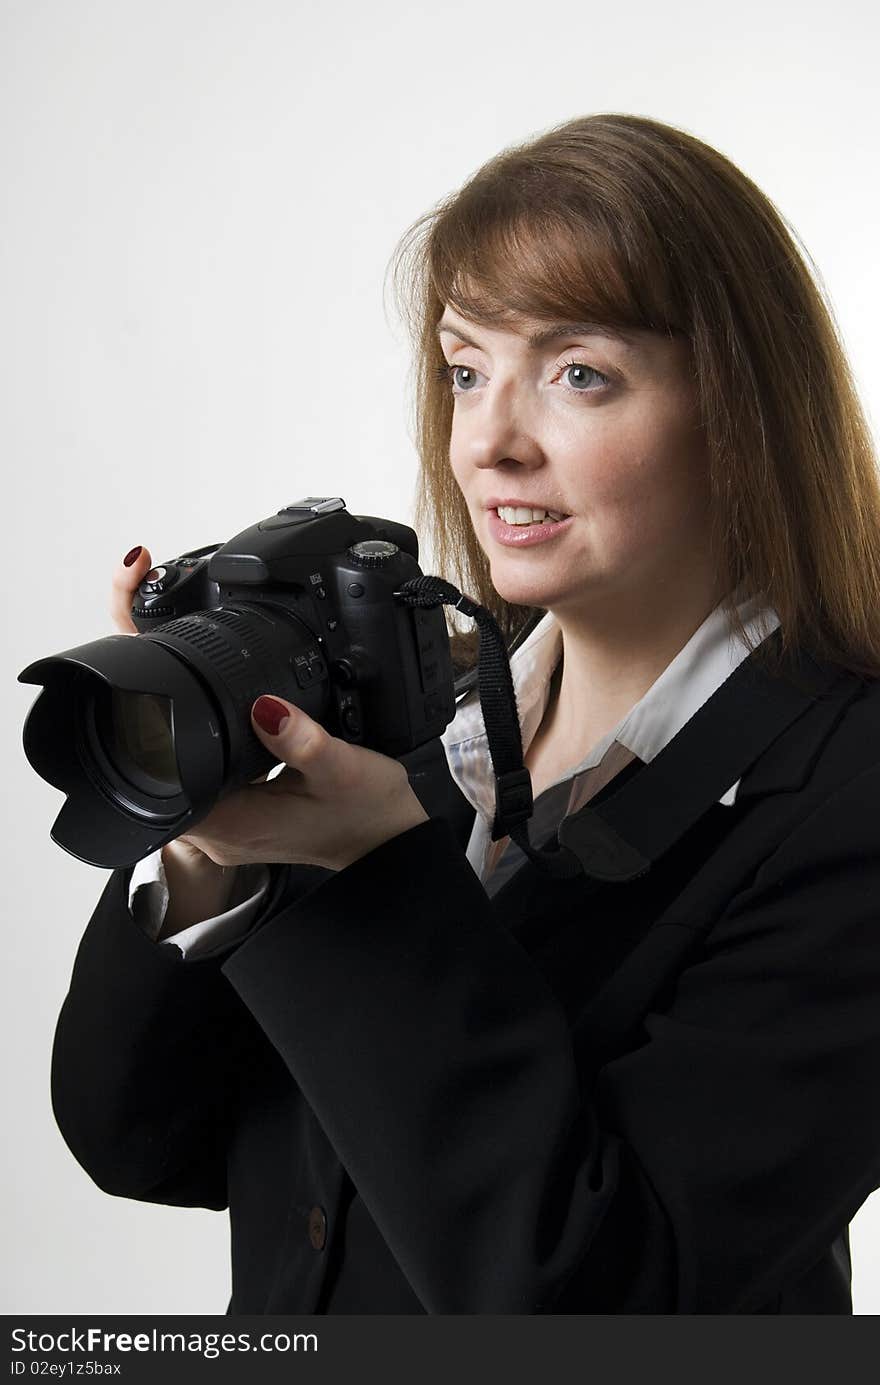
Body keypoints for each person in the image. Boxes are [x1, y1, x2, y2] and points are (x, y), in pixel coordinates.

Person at [51, 112, 880, 1314]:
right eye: (464, 367)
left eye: (578, 372)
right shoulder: (402, 718)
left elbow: (604, 1293)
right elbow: (143, 1144)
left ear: (737, 406)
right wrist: (209, 827)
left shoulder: (847, 790)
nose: (489, 441)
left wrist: (368, 872)